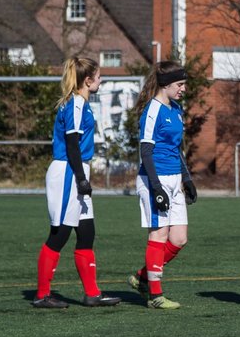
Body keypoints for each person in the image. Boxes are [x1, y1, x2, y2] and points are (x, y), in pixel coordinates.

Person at [32, 56, 120, 309]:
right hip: (68, 172)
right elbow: (71, 145)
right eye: (99, 76)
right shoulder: (76, 105)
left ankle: (92, 293)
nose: (101, 80)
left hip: (77, 170)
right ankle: (42, 294)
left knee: (86, 233)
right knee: (59, 234)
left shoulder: (81, 103)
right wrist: (81, 178)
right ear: (88, 80)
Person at [128, 60, 195, 310]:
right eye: (179, 84)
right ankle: (155, 295)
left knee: (178, 239)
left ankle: (142, 277)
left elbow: (177, 148)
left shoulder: (176, 109)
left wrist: (186, 178)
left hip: (175, 179)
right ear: (165, 84)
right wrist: (156, 187)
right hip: (153, 179)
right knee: (159, 235)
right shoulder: (152, 110)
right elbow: (146, 152)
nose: (183, 89)